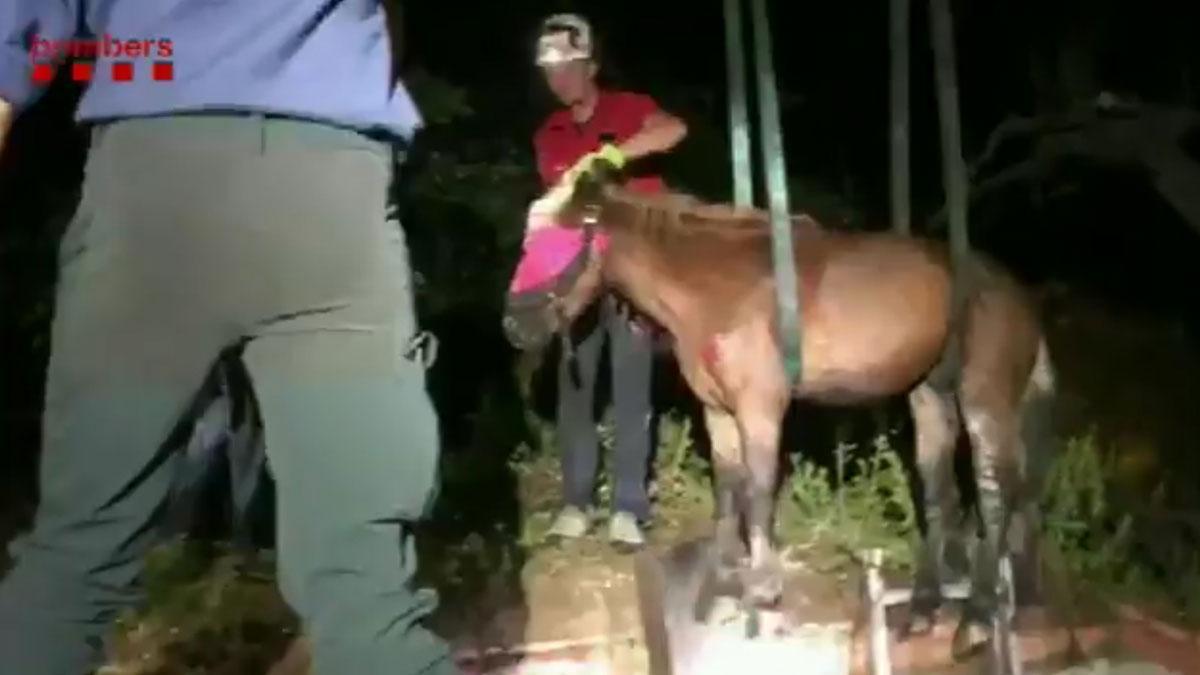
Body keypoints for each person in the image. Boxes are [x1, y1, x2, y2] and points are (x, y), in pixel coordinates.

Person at [0, 2, 457, 674]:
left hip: (153, 189)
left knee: (75, 556)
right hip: (328, 183)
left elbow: (24, 39)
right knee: (365, 594)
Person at [531, 13, 688, 550]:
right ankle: (576, 502)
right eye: (550, 70)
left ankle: (628, 506)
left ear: (591, 65)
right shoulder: (548, 135)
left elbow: (674, 130)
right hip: (579, 273)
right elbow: (558, 209)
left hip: (634, 277)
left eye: (568, 67)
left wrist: (615, 154)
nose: (559, 79)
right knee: (574, 385)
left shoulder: (629, 109)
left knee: (630, 387)